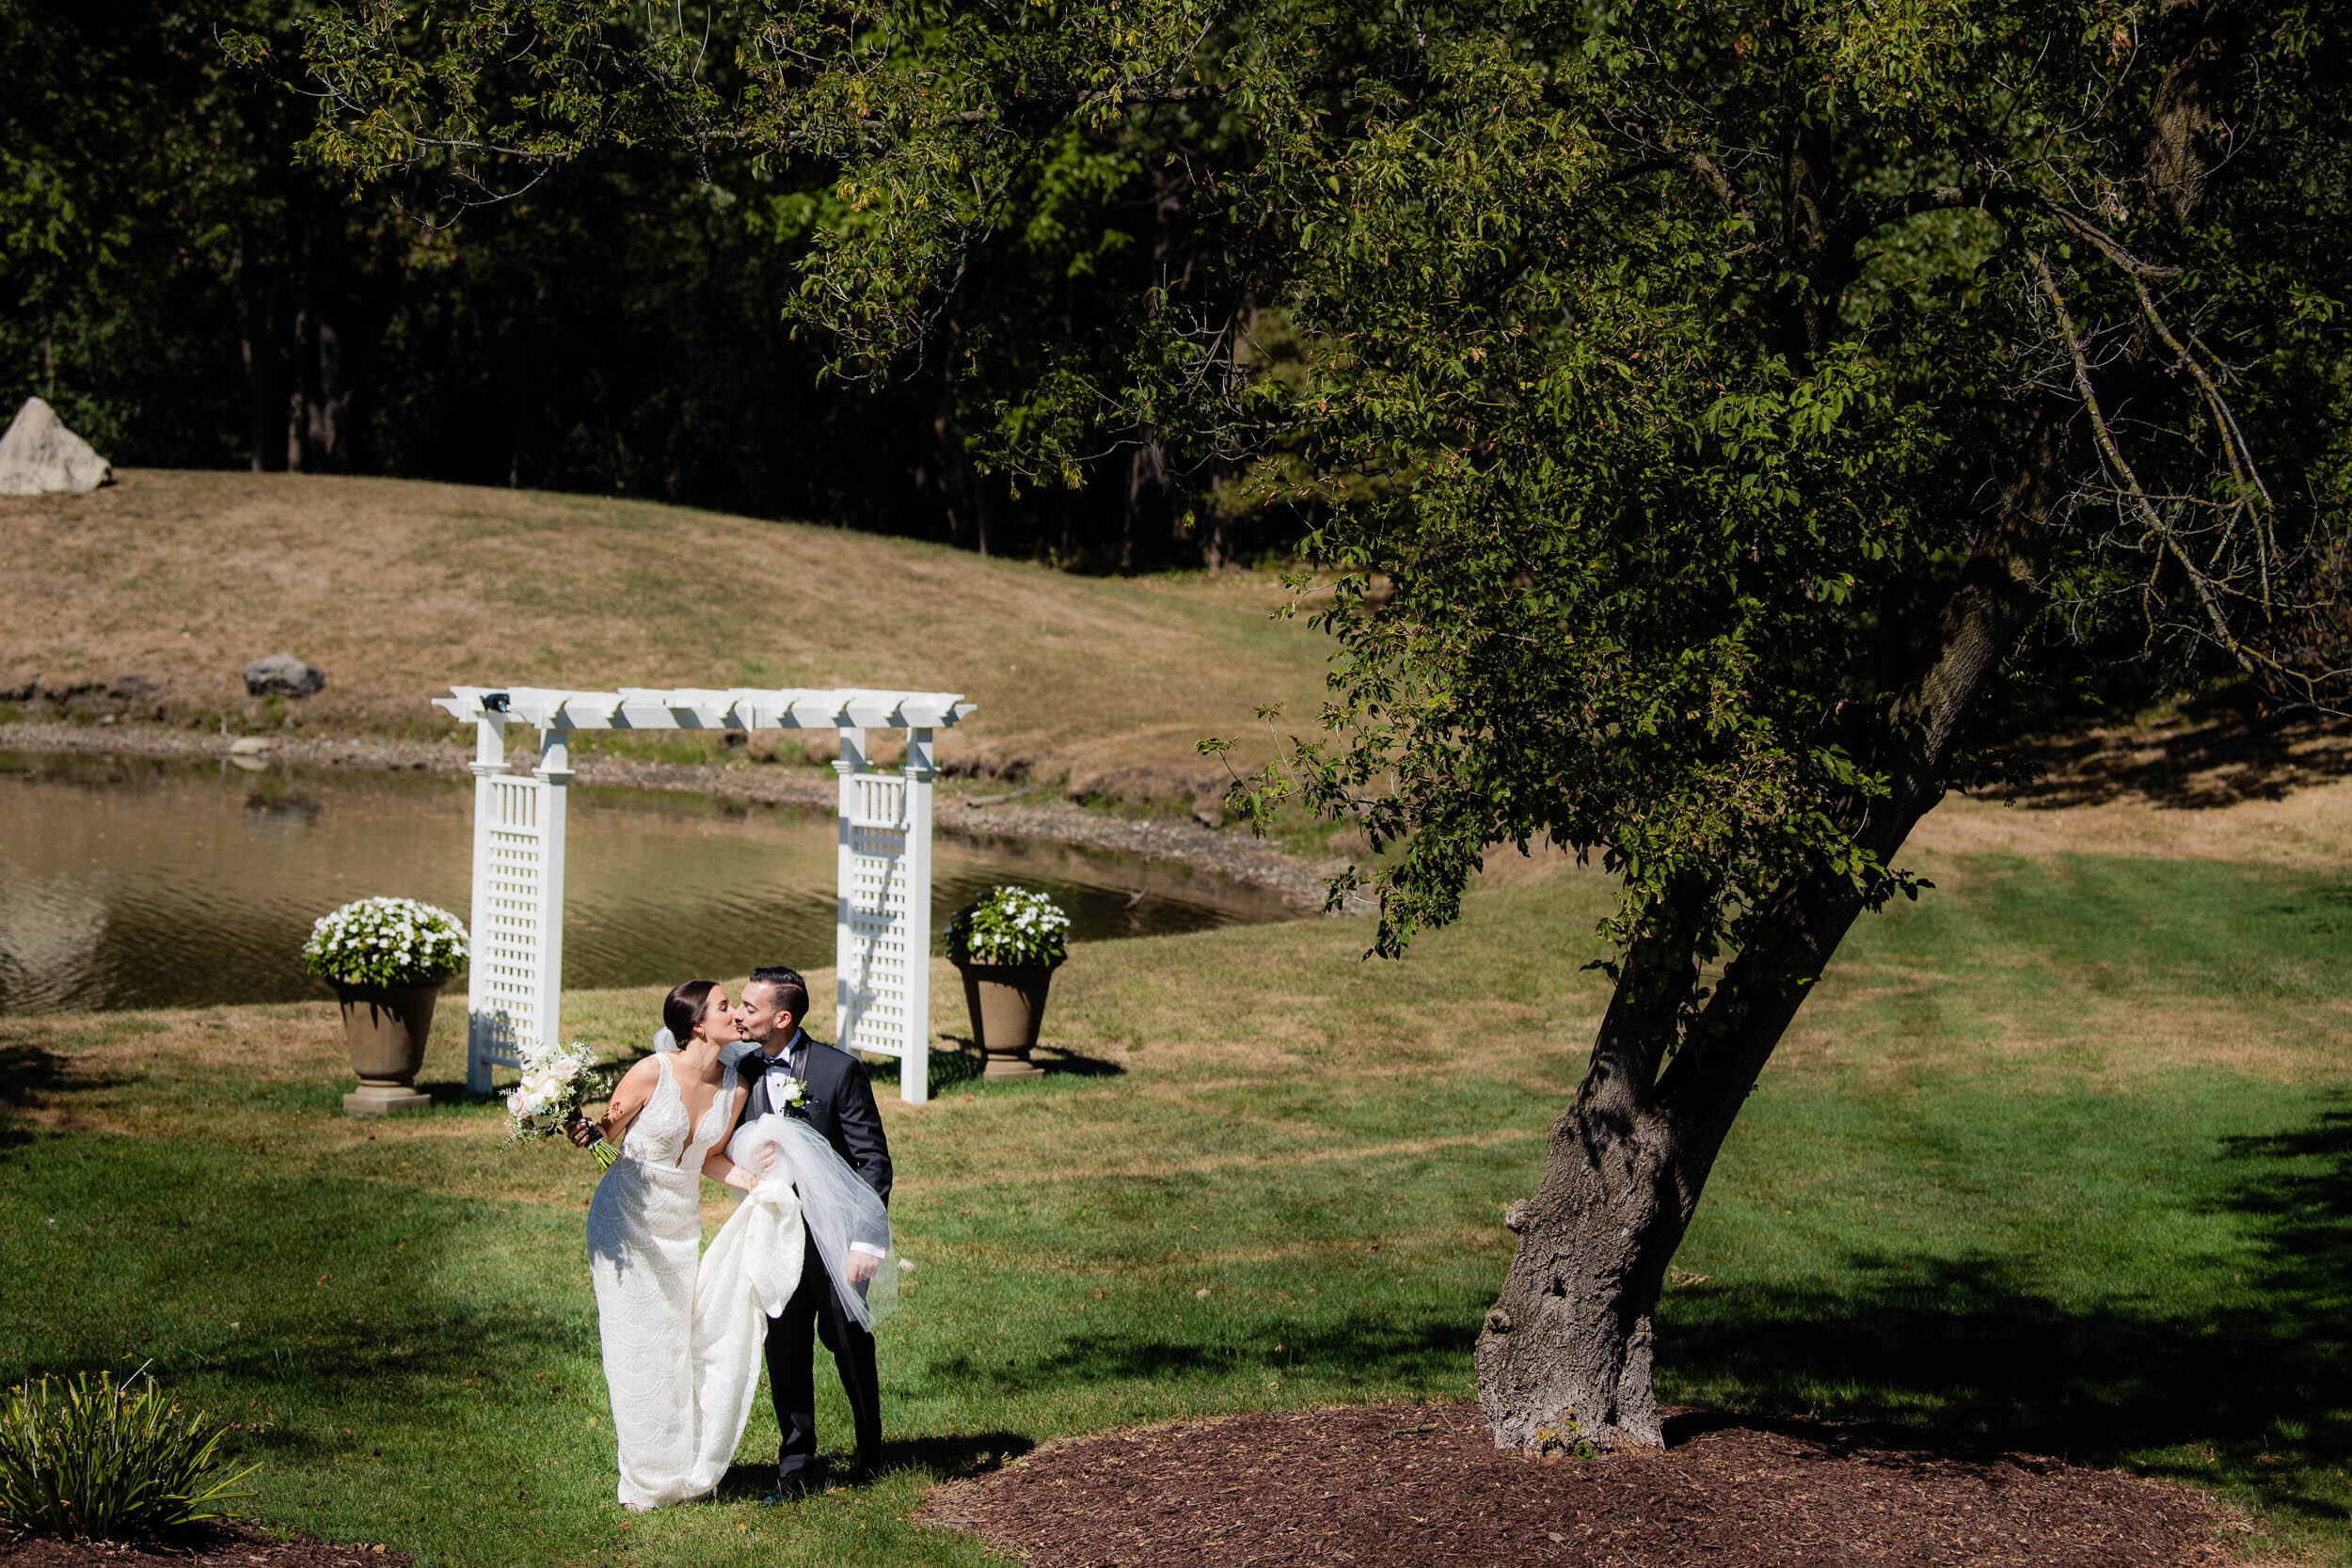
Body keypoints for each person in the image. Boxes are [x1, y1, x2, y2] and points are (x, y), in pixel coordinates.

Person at [572, 980, 765, 1510]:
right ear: (698, 1024)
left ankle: (680, 1466)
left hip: (680, 1227)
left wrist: (754, 1183)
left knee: (676, 1346)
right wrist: (583, 1129)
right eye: (725, 1006)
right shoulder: (650, 1071)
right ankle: (645, 1482)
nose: (735, 1013)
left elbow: (710, 1159)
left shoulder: (735, 1086)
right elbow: (606, 1136)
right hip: (624, 1222)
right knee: (636, 1347)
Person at [734, 965, 893, 1500]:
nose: (738, 1013)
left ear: (782, 1017)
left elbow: (872, 1160)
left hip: (835, 1232)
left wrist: (865, 1242)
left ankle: (871, 1455)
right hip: (775, 1232)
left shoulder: (836, 1071)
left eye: (749, 1008)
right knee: (785, 1346)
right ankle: (795, 1470)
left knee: (847, 1340)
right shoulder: (741, 1071)